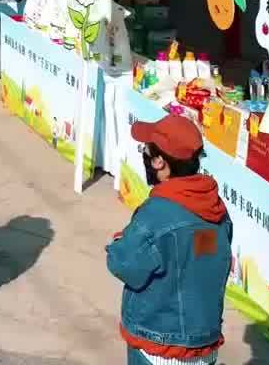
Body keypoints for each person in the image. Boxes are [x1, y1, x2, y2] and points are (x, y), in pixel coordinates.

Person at [107, 114, 230, 364]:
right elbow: (199, 251)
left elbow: (125, 265)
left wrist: (122, 243)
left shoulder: (155, 215)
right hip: (202, 343)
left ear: (160, 162)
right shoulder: (214, 208)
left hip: (158, 342)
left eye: (146, 151)